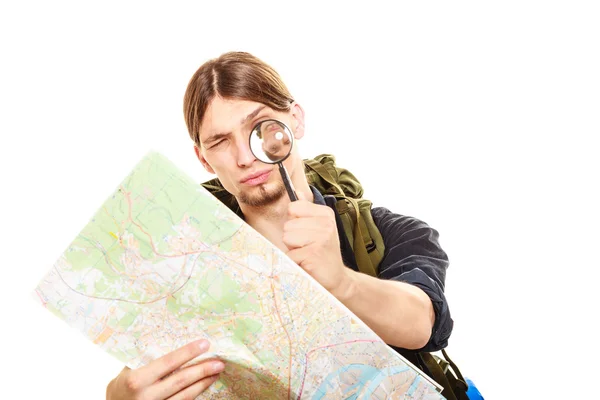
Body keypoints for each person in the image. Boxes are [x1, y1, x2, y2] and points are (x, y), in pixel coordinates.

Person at [106, 51, 453, 399]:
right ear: (203, 159)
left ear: (295, 121)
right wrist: (121, 395)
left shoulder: (388, 233)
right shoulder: (190, 265)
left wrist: (342, 281)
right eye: (220, 142)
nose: (245, 157)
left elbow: (422, 322)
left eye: (259, 126)